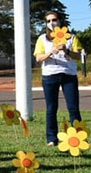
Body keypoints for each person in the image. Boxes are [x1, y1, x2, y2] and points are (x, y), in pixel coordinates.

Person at [34, 10, 82, 145]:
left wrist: (66, 50)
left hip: (69, 75)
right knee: (51, 108)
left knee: (73, 108)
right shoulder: (42, 39)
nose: (52, 23)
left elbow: (79, 56)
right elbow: (38, 58)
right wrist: (50, 52)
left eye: (54, 20)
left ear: (60, 20)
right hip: (50, 75)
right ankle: (51, 138)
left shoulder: (71, 37)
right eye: (48, 21)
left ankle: (78, 137)